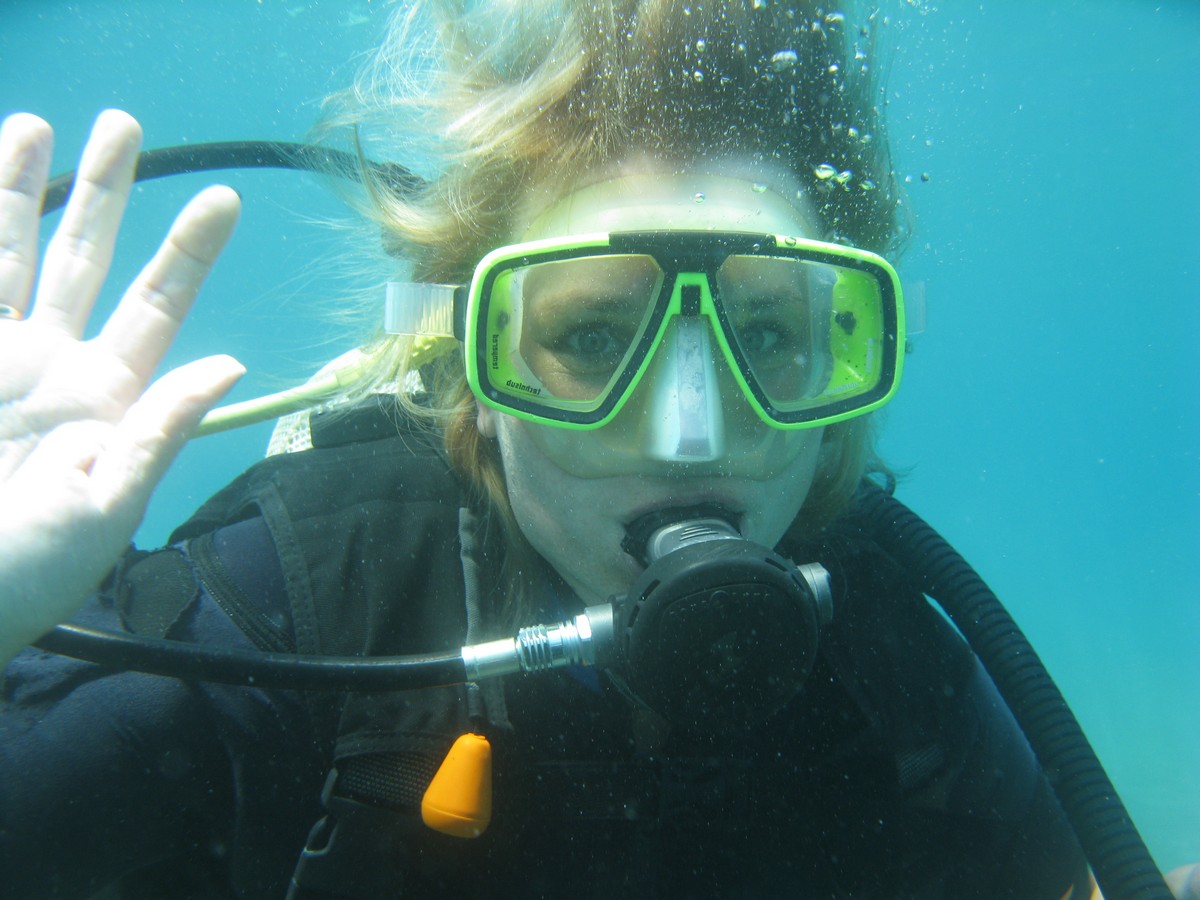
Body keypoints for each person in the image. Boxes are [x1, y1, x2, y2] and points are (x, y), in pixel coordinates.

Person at [0, 2, 1196, 898]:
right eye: (590, 335)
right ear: (476, 370)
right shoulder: (308, 604)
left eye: (766, 334)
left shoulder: (889, 651)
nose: (690, 431)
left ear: (844, 368)